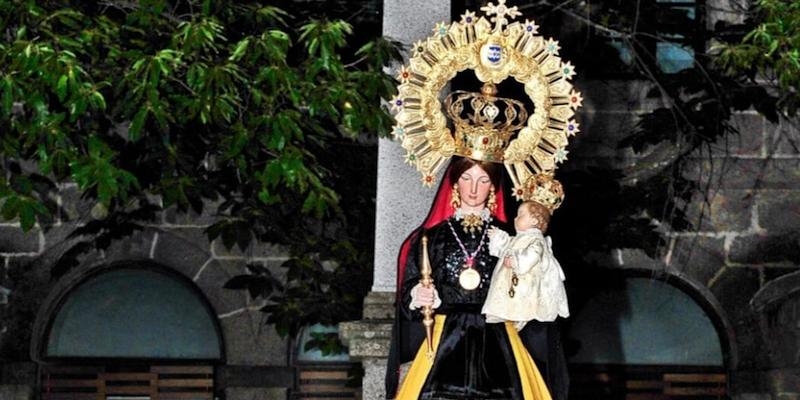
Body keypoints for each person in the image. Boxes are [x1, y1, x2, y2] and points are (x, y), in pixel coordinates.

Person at [385, 157, 560, 400]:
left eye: (483, 180)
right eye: (466, 178)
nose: (474, 189)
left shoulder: (512, 238)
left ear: (493, 187)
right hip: (444, 338)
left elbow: (537, 285)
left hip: (500, 335)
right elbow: (408, 292)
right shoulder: (431, 238)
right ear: (455, 183)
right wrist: (419, 294)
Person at [482, 200, 570, 331]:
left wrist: (516, 261)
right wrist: (498, 237)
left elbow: (534, 254)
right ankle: (505, 314)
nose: (515, 218)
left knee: (523, 298)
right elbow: (507, 245)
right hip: (510, 279)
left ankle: (521, 316)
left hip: (524, 280)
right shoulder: (520, 238)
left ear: (534, 221)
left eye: (521, 215)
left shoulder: (536, 239)